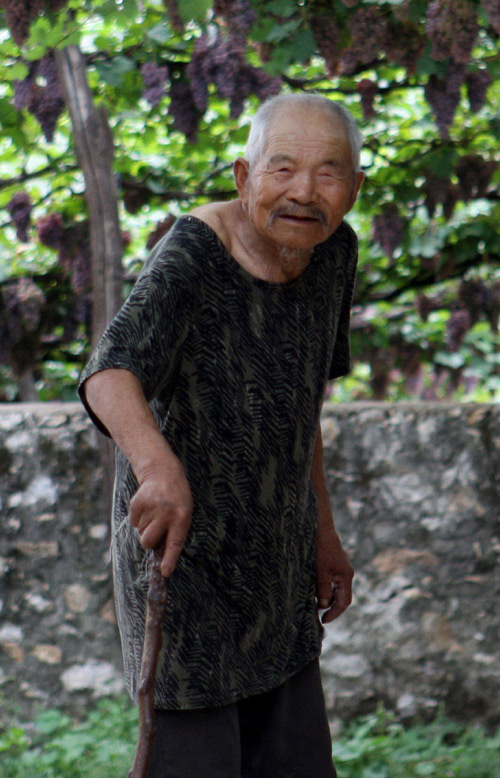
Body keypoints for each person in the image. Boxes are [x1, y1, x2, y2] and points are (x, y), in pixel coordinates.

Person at [79, 93, 364, 778]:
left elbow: (302, 403)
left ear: (355, 189)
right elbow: (108, 372)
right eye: (282, 169)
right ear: (243, 176)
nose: (304, 192)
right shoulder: (195, 253)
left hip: (278, 567)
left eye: (328, 173)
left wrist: (323, 532)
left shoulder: (334, 252)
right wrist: (159, 469)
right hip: (186, 567)